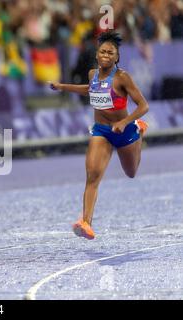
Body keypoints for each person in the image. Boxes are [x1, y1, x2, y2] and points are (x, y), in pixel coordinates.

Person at [50, 31, 149, 240]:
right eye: (102, 51)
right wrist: (62, 87)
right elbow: (89, 90)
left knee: (131, 173)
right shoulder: (92, 74)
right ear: (97, 54)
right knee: (92, 175)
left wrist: (125, 122)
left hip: (125, 132)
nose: (105, 55)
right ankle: (85, 222)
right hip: (102, 131)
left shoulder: (123, 78)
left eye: (110, 53)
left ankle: (139, 129)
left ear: (116, 57)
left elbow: (143, 105)